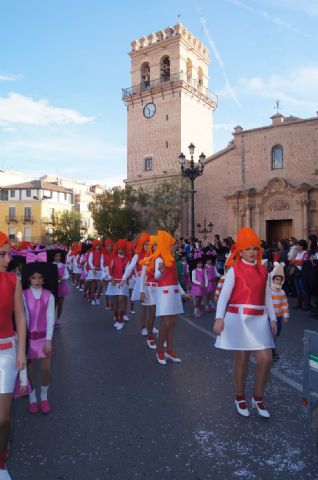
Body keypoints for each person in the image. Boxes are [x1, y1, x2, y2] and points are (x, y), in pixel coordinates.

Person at [213, 227, 277, 418]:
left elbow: (267, 297)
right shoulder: (234, 269)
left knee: (266, 360)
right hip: (238, 319)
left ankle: (257, 397)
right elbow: (224, 296)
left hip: (259, 320)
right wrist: (219, 318)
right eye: (248, 248)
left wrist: (273, 318)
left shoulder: (264, 271)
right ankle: (239, 396)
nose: (252, 252)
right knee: (241, 359)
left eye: (255, 248)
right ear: (239, 251)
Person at [0, 232, 27, 479]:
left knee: (3, 418)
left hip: (6, 352)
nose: (8, 258)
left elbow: (20, 316)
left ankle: (0, 459)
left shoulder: (12, 280)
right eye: (2, 254)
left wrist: (21, 351)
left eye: (8, 253)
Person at [141, 230, 189, 365]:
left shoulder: (172, 258)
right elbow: (157, 277)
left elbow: (175, 280)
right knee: (166, 323)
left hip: (174, 293)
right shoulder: (160, 259)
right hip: (164, 293)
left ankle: (170, 350)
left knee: (173, 323)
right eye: (173, 244)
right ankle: (160, 351)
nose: (175, 246)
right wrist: (160, 272)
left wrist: (183, 292)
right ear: (167, 244)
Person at [23, 266, 55, 415]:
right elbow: (24, 319)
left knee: (45, 369)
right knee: (29, 369)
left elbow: (50, 319)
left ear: (44, 279)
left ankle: (44, 396)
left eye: (40, 278)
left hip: (43, 339)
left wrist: (48, 340)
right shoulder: (23, 295)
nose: (37, 280)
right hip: (29, 339)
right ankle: (32, 398)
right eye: (34, 277)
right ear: (29, 278)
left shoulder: (49, 296)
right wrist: (24, 340)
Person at [121, 233, 150, 334]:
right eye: (146, 244)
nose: (148, 246)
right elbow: (129, 268)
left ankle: (151, 325)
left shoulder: (153, 255)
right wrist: (123, 279)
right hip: (141, 283)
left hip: (152, 283)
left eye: (149, 244)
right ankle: (143, 327)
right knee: (143, 307)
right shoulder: (137, 256)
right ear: (142, 245)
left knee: (152, 307)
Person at [106, 240, 130, 331]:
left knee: (121, 299)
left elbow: (127, 271)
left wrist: (123, 281)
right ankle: (116, 318)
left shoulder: (127, 260)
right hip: (113, 282)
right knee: (115, 301)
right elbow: (109, 269)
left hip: (122, 282)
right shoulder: (113, 258)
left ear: (125, 249)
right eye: (119, 249)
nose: (121, 250)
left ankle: (121, 320)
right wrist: (111, 277)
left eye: (122, 249)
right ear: (117, 249)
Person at [140, 235, 159, 349]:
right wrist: (141, 291)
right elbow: (143, 275)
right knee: (152, 312)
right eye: (155, 245)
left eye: (158, 245)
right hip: (149, 288)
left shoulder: (162, 259)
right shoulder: (148, 259)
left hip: (159, 289)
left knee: (158, 313)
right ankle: (150, 337)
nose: (157, 247)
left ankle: (154, 331)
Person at [268, 262, 289, 361]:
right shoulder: (268, 291)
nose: (279, 281)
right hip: (269, 317)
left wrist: (286, 315)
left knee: (276, 333)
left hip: (279, 317)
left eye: (281, 280)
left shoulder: (282, 292)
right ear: (272, 279)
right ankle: (270, 351)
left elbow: (284, 304)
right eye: (276, 279)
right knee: (269, 333)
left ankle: (272, 348)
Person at [52, 249, 70, 328]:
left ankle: (58, 319)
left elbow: (67, 275)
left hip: (62, 287)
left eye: (59, 256)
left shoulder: (63, 265)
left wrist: (63, 278)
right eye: (56, 256)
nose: (58, 257)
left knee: (60, 305)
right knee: (53, 305)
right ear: (53, 257)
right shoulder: (51, 265)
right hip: (54, 287)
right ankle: (52, 320)